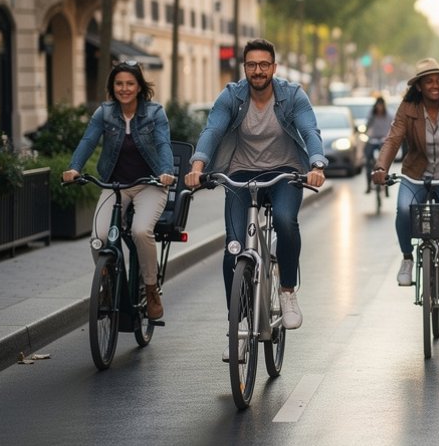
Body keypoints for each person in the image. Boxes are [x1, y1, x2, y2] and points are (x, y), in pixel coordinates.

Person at [185, 39, 327, 355]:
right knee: (233, 247)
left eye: (264, 65)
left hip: (285, 173)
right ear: (245, 68)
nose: (258, 70)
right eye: (252, 65)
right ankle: (237, 328)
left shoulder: (292, 95)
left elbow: (310, 131)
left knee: (285, 221)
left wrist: (316, 164)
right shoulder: (231, 96)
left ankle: (287, 290)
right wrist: (198, 166)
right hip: (240, 173)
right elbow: (212, 130)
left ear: (273, 68)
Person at [370, 58, 439, 316]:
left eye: (438, 81)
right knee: (403, 210)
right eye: (429, 81)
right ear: (419, 86)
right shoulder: (407, 108)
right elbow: (392, 139)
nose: (435, 85)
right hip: (416, 174)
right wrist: (381, 167)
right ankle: (408, 258)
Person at [63, 62, 176, 319]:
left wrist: (166, 171)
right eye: (119, 84)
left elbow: (163, 143)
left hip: (150, 184)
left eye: (130, 83)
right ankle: (107, 283)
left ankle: (150, 289)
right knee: (99, 236)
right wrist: (74, 168)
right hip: (115, 186)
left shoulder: (155, 112)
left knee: (140, 231)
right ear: (112, 87)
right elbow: (88, 141)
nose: (124, 88)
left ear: (139, 87)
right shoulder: (104, 113)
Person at [364, 96, 392, 195]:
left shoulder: (388, 115)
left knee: (385, 163)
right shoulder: (372, 115)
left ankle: (386, 186)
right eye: (378, 106)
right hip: (373, 140)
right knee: (368, 161)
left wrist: (387, 138)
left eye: (381, 105)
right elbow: (366, 126)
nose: (379, 108)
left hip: (383, 141)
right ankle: (368, 185)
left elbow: (392, 128)